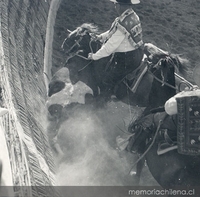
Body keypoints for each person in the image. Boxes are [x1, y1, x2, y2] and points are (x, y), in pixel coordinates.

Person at [88, 0, 144, 100]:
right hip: (138, 52)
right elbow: (115, 31)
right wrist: (100, 37)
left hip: (128, 58)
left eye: (115, 4)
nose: (114, 6)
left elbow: (110, 47)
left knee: (108, 79)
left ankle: (103, 102)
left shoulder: (123, 21)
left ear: (119, 6)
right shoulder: (131, 16)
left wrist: (94, 56)